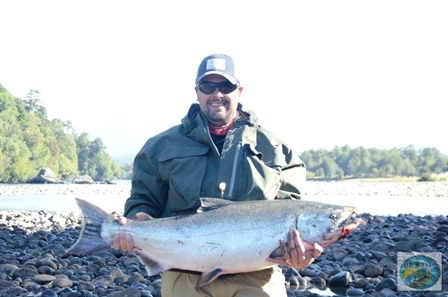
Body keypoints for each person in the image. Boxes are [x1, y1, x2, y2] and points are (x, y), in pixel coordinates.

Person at [113, 53, 323, 297]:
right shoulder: (160, 146)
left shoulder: (277, 150)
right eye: (208, 86)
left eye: (226, 85)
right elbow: (143, 200)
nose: (217, 93)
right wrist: (133, 230)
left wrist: (299, 258)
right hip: (184, 275)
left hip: (256, 279)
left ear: (239, 91)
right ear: (197, 91)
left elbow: (292, 217)